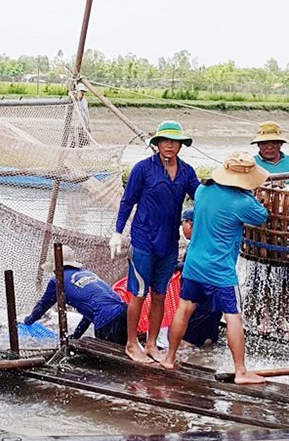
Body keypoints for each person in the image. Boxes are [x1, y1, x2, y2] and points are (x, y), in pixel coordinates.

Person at [161, 153, 269, 384]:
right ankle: (241, 371)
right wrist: (250, 194)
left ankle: (170, 357)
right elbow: (262, 216)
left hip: (194, 265)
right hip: (220, 271)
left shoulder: (202, 191)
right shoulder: (242, 202)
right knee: (233, 318)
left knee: (184, 309)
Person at [109, 121, 199, 364]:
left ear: (181, 145)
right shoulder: (143, 169)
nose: (170, 145)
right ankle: (131, 343)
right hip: (143, 239)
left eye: (175, 141)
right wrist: (118, 232)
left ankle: (151, 343)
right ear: (157, 144)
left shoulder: (187, 172)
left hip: (169, 242)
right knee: (138, 293)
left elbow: (201, 197)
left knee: (160, 294)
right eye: (165, 141)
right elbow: (127, 201)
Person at [250, 121, 289, 339]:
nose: (269, 147)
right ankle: (263, 314)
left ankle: (281, 314)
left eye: (273, 143)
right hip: (260, 227)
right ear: (258, 146)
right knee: (261, 273)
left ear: (280, 144)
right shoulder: (251, 164)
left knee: (286, 275)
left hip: (287, 228)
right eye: (264, 143)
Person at [22, 245, 128, 345]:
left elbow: (42, 305)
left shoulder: (58, 281)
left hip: (107, 322)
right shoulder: (88, 273)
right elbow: (91, 313)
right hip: (125, 314)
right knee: (125, 350)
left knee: (109, 359)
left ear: (55, 267)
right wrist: (76, 335)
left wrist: (28, 321)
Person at [175, 208, 224, 348]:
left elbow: (198, 264)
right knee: (208, 344)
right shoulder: (211, 237)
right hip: (215, 302)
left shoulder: (200, 241)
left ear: (190, 223)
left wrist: (177, 266)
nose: (182, 229)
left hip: (202, 303)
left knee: (186, 345)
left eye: (182, 224)